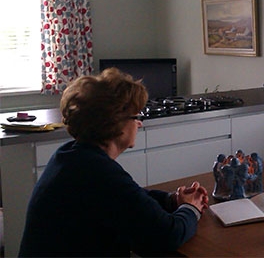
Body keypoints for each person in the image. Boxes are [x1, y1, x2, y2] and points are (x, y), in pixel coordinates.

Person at [19, 68, 209, 257]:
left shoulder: (71, 156)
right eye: (136, 117)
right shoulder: (98, 172)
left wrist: (172, 200)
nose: (140, 123)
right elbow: (167, 235)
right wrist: (191, 208)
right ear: (114, 122)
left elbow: (131, 196)